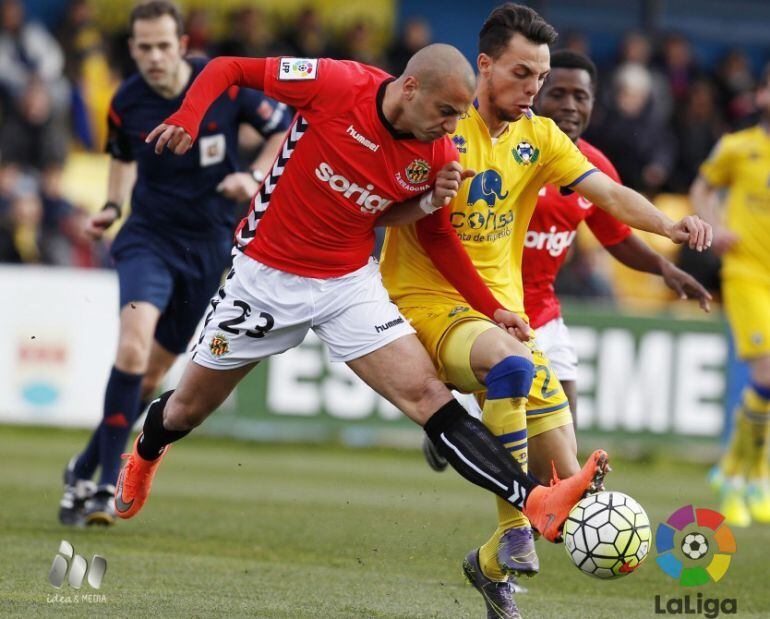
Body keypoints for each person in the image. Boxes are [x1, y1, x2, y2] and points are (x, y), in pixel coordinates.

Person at [115, 43, 612, 552]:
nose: (451, 129)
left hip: (348, 285)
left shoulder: (440, 152)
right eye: (445, 113)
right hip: (266, 277)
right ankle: (147, 451)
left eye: (460, 117)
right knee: (185, 413)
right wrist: (190, 115)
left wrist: (489, 303)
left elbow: (433, 234)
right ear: (410, 88)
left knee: (428, 397)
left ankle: (534, 502)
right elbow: (230, 66)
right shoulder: (335, 84)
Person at [377, 5, 711, 617]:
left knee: (566, 492)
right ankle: (512, 527)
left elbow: (608, 193)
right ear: (484, 65)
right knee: (510, 372)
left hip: (503, 315)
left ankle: (487, 565)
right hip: (426, 303)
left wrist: (671, 226)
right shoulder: (442, 128)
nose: (534, 90)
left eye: (541, 75)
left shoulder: (540, 137)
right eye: (522, 73)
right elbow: (406, 218)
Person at [57, 0, 291, 527]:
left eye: (164, 45)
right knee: (133, 345)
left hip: (208, 246)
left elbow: (283, 129)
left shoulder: (223, 85)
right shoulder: (128, 101)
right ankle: (97, 489)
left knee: (149, 380)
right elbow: (121, 156)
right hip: (149, 238)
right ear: (133, 49)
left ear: (182, 45)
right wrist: (114, 207)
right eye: (144, 47)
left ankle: (82, 466)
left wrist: (254, 177)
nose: (155, 57)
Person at [690, 64, 770, 528]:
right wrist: (713, 226)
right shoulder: (739, 148)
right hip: (747, 274)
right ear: (760, 96)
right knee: (765, 373)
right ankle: (754, 473)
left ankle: (734, 473)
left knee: (766, 386)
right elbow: (702, 186)